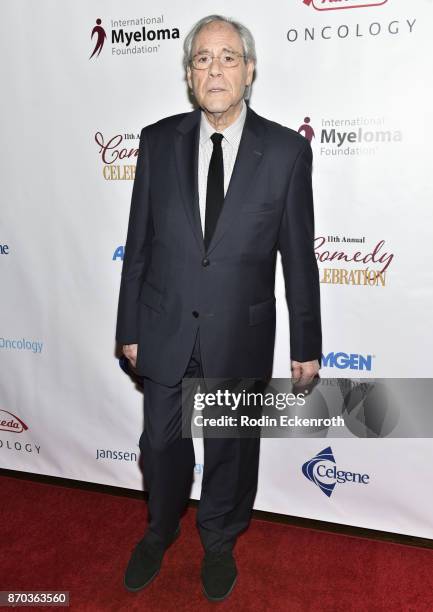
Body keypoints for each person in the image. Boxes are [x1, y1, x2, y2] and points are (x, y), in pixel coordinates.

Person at [115, 14, 322, 602]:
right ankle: (158, 530)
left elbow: (298, 255)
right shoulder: (157, 141)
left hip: (240, 333)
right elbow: (139, 244)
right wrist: (128, 325)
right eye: (203, 58)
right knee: (160, 444)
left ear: (249, 71)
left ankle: (220, 541)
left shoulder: (285, 151)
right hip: (164, 325)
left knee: (231, 450)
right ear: (188, 75)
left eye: (228, 57)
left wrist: (306, 342)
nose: (215, 69)